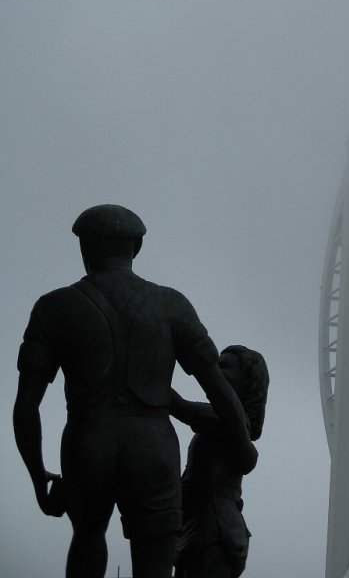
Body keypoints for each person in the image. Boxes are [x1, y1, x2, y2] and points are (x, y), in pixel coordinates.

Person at [13, 204, 255, 578]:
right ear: (136, 248)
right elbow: (220, 390)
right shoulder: (171, 304)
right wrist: (243, 446)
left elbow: (26, 408)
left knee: (87, 537)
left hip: (87, 442)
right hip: (153, 447)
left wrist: (38, 478)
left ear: (84, 249)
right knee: (155, 552)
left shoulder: (53, 307)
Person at [170, 345, 269, 578]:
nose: (215, 371)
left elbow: (182, 407)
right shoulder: (222, 423)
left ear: (246, 380)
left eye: (224, 366)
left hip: (215, 527)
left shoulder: (232, 421)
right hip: (197, 525)